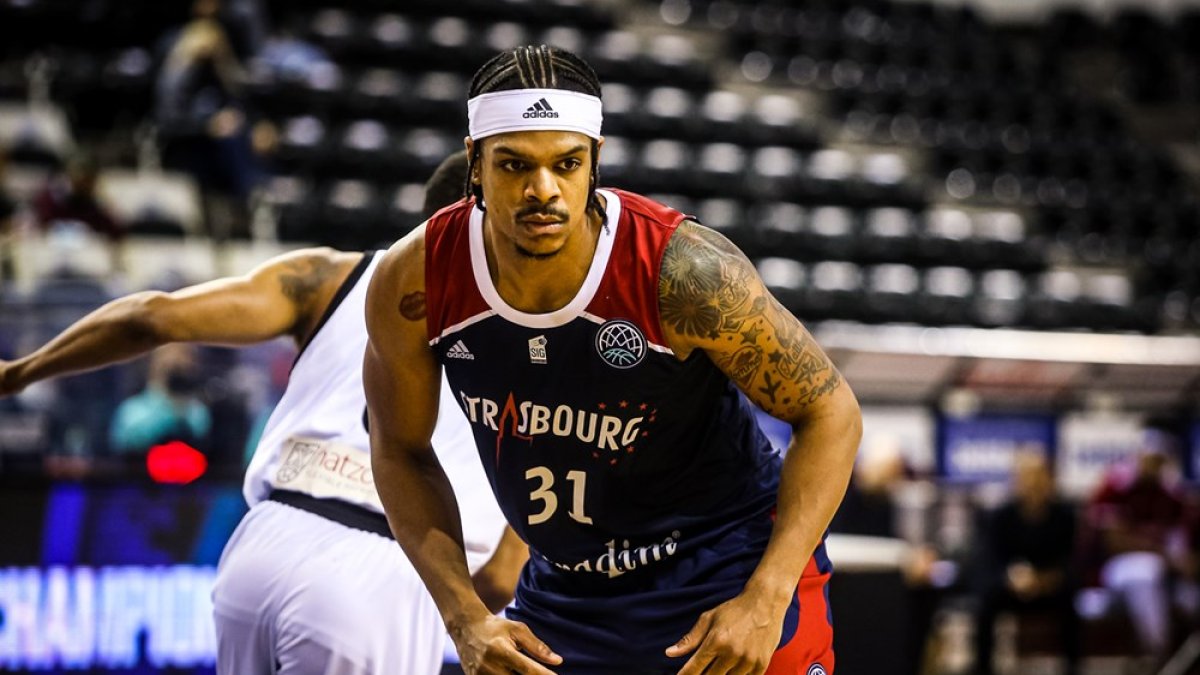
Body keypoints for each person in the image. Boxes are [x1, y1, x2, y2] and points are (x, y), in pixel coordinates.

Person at [363, 44, 862, 675]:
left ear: (595, 161)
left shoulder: (684, 272)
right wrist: (462, 616)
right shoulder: (417, 281)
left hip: (722, 566)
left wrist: (768, 594)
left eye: (565, 164)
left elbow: (831, 411)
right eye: (513, 164)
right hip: (569, 592)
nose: (542, 190)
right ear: (474, 164)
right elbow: (399, 448)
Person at [0, 151, 522, 675]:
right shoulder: (535, 344)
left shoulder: (330, 276)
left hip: (262, 546)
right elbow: (501, 578)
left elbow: (151, 317)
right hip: (385, 572)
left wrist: (18, 372)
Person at [973, 451, 1080, 675]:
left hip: (1051, 588)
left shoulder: (1064, 516)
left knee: (1071, 602)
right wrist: (1011, 577)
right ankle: (982, 669)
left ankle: (1073, 668)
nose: (1033, 484)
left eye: (1039, 476)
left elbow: (1071, 561)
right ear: (1016, 480)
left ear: (1050, 479)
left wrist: (1047, 579)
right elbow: (990, 561)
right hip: (1012, 588)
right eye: (1027, 477)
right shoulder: (1000, 516)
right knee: (985, 603)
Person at [109, 342, 211, 454]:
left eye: (185, 355)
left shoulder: (198, 412)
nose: (178, 360)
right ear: (153, 363)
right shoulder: (132, 411)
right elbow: (128, 445)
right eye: (169, 354)